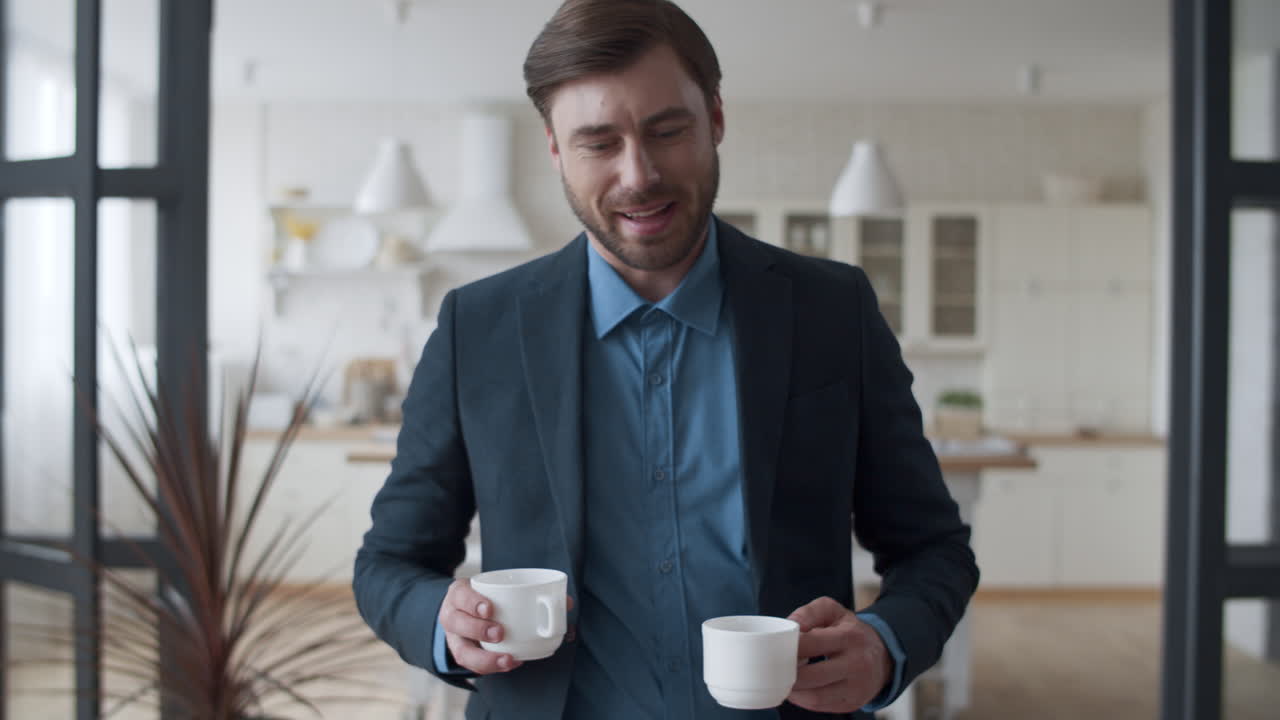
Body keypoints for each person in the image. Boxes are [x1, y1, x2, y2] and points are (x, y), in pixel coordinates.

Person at [353, 1, 978, 718]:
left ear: (714, 118)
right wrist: (443, 621)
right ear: (555, 149)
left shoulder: (832, 310)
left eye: (667, 131)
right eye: (598, 142)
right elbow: (388, 565)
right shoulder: (479, 327)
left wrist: (882, 644)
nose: (638, 174)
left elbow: (934, 548)